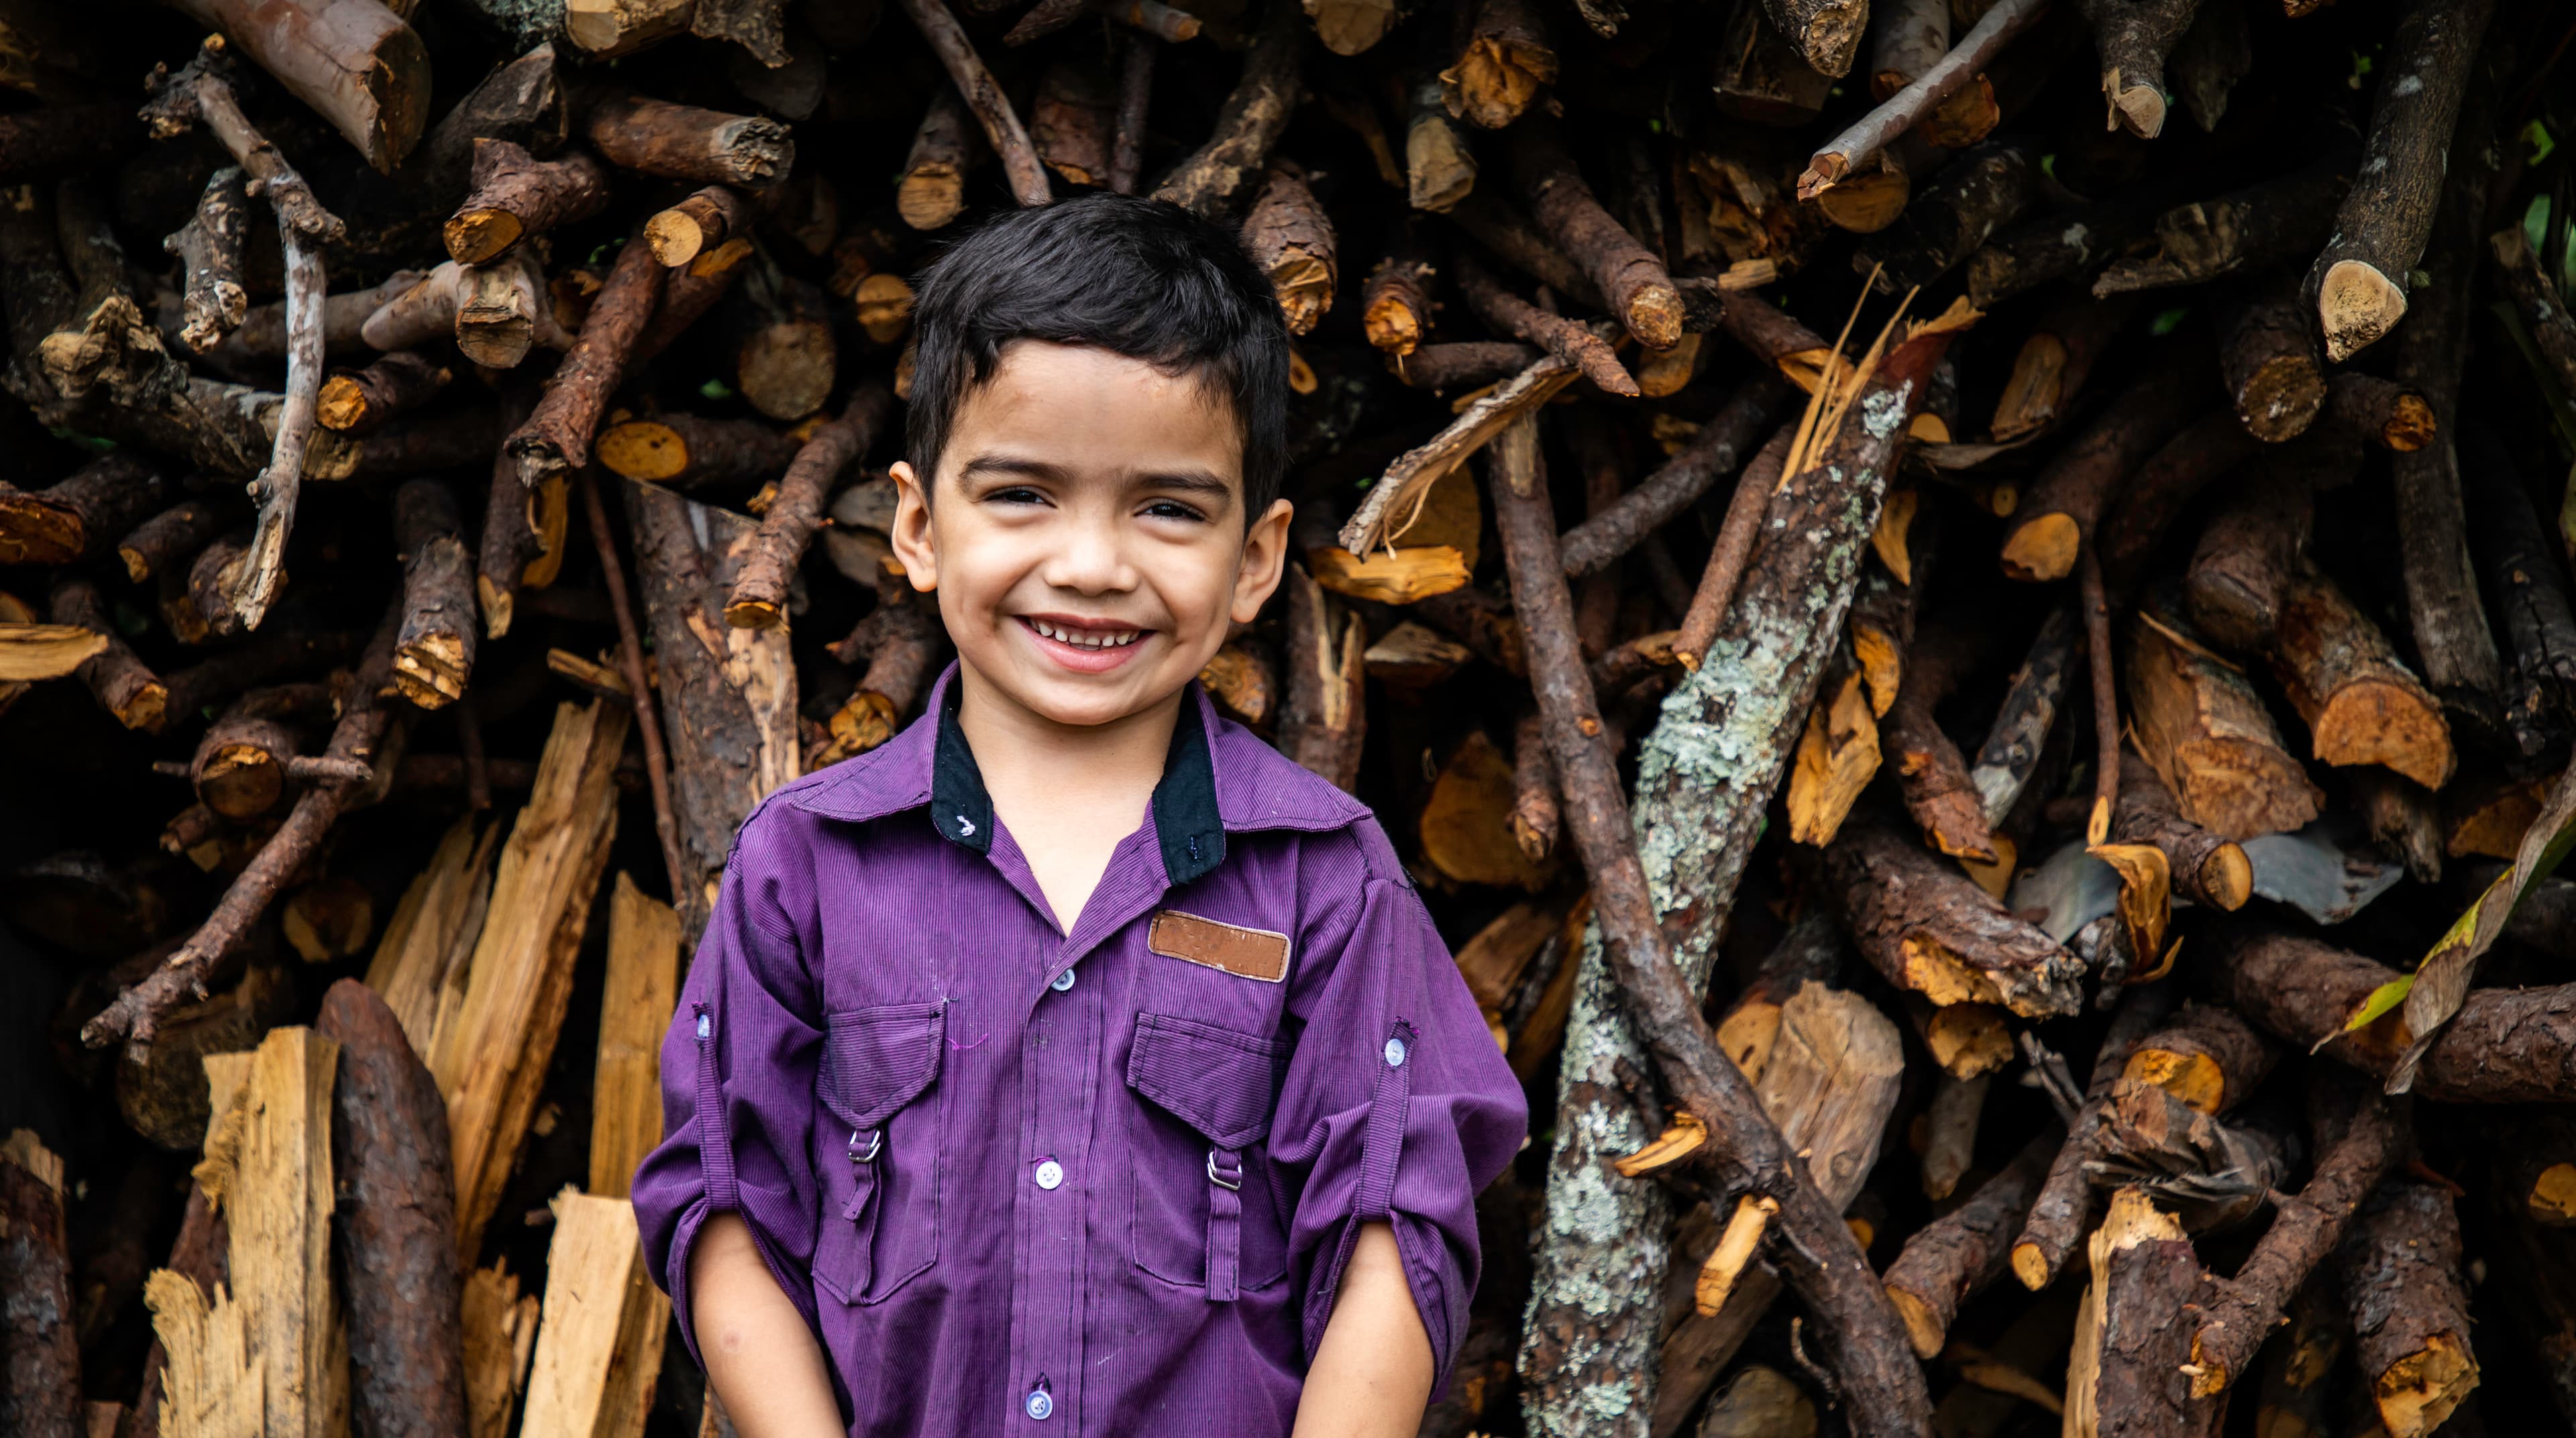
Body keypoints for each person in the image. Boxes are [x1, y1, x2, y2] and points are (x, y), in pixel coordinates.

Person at [632, 192, 1528, 1437]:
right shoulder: (810, 863)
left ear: (1257, 558)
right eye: (1022, 496)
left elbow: (1393, 1230)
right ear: (918, 525)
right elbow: (727, 1204)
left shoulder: (1327, 879)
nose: (1094, 564)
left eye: (1168, 508)